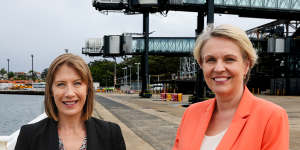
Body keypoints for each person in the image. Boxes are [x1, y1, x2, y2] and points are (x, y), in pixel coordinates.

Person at [172, 24, 289, 150]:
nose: (219, 68)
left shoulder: (271, 117)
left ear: (246, 65)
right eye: (211, 60)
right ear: (202, 65)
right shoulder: (191, 113)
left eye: (229, 59)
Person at [15, 53, 126, 150]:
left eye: (77, 83)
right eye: (61, 84)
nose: (69, 93)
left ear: (87, 88)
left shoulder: (111, 134)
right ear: (51, 90)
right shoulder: (29, 136)